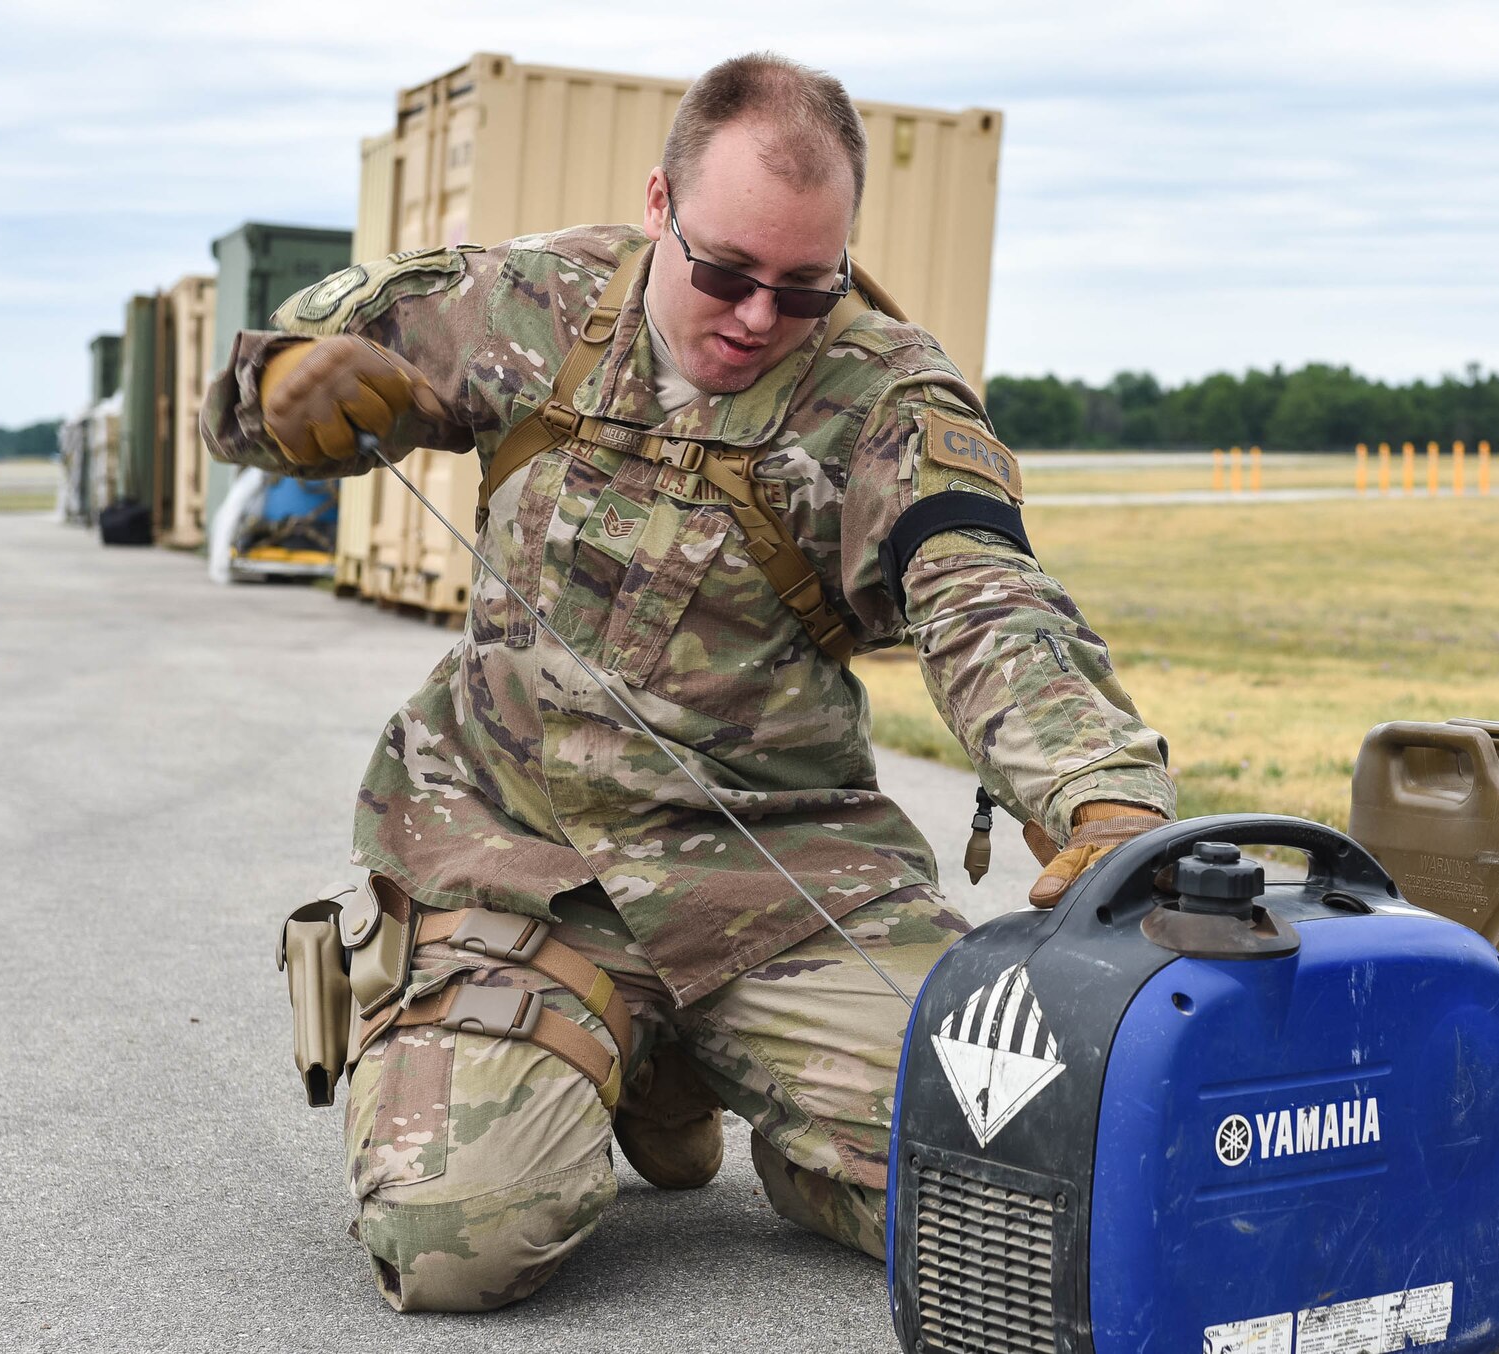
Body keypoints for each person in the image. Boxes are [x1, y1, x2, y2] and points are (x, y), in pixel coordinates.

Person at [204, 51, 1173, 1313]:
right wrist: (275, 384)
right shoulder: (533, 303)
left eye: (802, 287)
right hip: (515, 860)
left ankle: (751, 1102)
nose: (757, 317)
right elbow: (263, 391)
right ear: (658, 205)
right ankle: (612, 1047)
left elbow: (980, 590)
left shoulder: (890, 395)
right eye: (725, 271)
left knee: (1046, 1181)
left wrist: (1097, 787)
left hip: (781, 881)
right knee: (458, 1242)